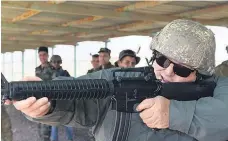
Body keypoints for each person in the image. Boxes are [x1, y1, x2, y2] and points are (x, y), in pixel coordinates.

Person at [7, 19, 228, 141]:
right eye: (161, 60)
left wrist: (174, 114)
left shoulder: (216, 87)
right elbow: (78, 100)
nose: (168, 72)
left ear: (201, 74)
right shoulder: (118, 78)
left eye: (181, 69)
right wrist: (47, 106)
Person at [49, 55, 73, 141]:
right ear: (51, 62)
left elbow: (71, 84)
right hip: (54, 102)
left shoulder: (65, 73)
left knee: (68, 124)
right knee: (54, 126)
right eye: (54, 62)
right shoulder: (48, 73)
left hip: (65, 101)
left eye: (58, 62)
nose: (56, 64)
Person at [35, 46, 55, 141]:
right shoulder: (37, 69)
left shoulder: (52, 68)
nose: (42, 57)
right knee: (39, 126)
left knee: (46, 129)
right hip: (38, 100)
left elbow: (56, 85)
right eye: (40, 55)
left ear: (47, 55)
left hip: (48, 101)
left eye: (44, 55)